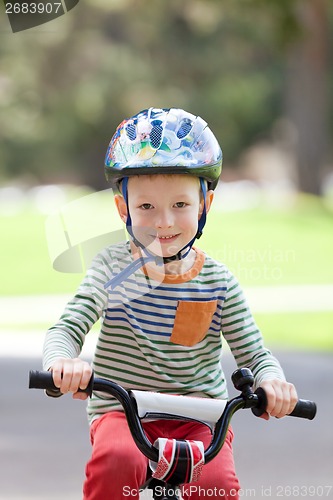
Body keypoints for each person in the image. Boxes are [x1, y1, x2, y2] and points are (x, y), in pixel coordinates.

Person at [43, 107, 298, 500]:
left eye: (180, 205)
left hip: (200, 418)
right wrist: (63, 361)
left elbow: (255, 354)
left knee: (216, 486)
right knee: (116, 461)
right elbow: (68, 327)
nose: (164, 222)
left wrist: (271, 383)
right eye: (146, 207)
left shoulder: (219, 283)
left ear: (204, 206)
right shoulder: (112, 268)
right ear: (123, 210)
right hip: (122, 412)